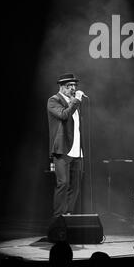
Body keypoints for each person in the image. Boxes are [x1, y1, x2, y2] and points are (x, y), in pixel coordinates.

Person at [47, 73, 86, 217]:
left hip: (77, 151)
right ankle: (58, 216)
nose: (73, 89)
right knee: (63, 183)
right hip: (62, 149)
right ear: (61, 87)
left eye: (75, 86)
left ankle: (68, 214)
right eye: (70, 86)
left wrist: (74, 102)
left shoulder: (73, 102)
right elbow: (63, 115)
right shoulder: (53, 100)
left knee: (75, 187)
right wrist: (76, 101)